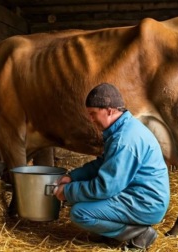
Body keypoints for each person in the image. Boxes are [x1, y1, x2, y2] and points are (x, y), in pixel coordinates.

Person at [53, 83, 170, 249]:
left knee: (80, 213)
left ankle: (138, 233)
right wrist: (72, 177)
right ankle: (110, 231)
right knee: (82, 198)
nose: (91, 119)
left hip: (146, 203)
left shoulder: (124, 140)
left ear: (109, 110)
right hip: (138, 195)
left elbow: (105, 188)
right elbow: (102, 164)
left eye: (93, 114)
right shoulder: (122, 130)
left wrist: (68, 191)